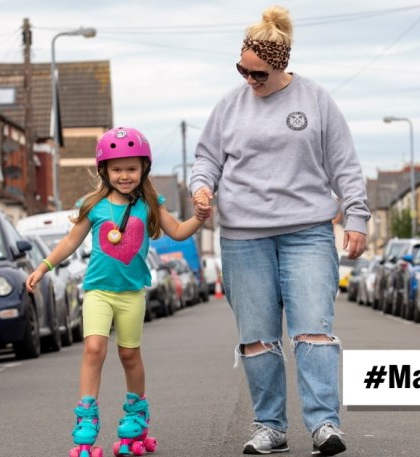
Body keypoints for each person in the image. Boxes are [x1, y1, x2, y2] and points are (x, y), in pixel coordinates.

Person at [190, 6, 369, 456]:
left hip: (307, 230)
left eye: (259, 74)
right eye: (243, 70)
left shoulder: (315, 100)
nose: (250, 81)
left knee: (313, 329)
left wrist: (357, 216)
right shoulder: (229, 105)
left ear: (281, 65)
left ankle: (324, 424)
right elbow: (206, 158)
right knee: (257, 336)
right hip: (243, 236)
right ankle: (270, 427)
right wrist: (201, 187)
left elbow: (344, 164)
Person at [26, 126, 210, 457]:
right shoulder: (94, 206)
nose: (124, 175)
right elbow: (70, 241)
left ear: (143, 170)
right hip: (97, 291)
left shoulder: (149, 205)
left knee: (129, 355)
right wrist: (43, 267)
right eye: (116, 169)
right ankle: (85, 421)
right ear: (104, 171)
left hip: (131, 294)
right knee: (94, 349)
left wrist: (199, 217)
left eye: (131, 168)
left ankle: (137, 416)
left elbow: (180, 232)